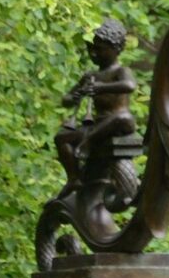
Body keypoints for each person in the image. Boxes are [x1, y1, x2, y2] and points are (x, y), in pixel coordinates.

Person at [52, 18, 137, 190]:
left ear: (116, 49)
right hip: (98, 125)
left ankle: (87, 143)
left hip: (117, 122)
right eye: (90, 49)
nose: (93, 54)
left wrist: (101, 87)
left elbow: (129, 86)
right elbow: (66, 100)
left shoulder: (121, 71)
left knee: (123, 116)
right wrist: (75, 96)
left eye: (99, 49)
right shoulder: (90, 75)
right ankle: (74, 178)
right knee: (61, 138)